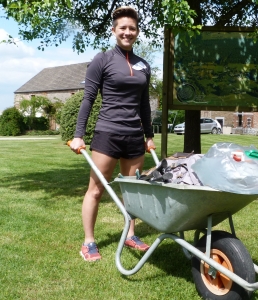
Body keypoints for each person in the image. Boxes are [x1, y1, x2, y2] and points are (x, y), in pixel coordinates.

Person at [69, 6, 155, 262]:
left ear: (137, 32)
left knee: (132, 192)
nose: (127, 32)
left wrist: (148, 135)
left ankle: (130, 234)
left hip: (134, 137)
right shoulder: (102, 60)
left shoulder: (144, 65)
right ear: (114, 30)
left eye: (132, 28)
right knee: (96, 190)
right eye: (123, 28)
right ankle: (89, 241)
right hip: (107, 134)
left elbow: (144, 105)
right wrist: (78, 134)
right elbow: (88, 99)